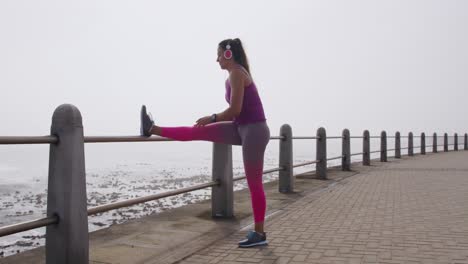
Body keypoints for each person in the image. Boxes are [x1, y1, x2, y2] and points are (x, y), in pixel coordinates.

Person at [140, 38, 270, 248]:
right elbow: (236, 114)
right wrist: (211, 122)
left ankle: (260, 234)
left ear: (228, 54)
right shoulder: (231, 76)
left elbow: (235, 110)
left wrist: (212, 117)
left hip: (254, 130)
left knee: (254, 183)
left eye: (219, 54)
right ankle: (152, 129)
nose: (216, 59)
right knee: (197, 131)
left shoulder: (237, 73)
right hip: (240, 127)